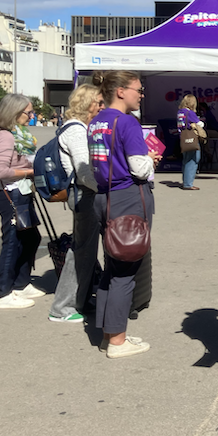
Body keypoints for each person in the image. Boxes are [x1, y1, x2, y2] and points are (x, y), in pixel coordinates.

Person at [89, 71, 160, 358]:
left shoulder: (96, 121)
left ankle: (109, 334)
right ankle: (118, 341)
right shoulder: (127, 121)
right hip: (127, 197)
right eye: (137, 90)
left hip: (103, 197)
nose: (141, 95)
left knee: (112, 267)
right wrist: (151, 159)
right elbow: (139, 168)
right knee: (125, 272)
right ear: (120, 91)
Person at [48, 84, 103, 323]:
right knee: (80, 252)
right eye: (99, 102)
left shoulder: (76, 128)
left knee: (86, 251)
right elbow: (84, 172)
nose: (101, 107)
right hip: (84, 194)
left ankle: (81, 299)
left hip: (83, 193)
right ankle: (62, 308)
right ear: (88, 104)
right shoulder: (77, 131)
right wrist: (105, 189)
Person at [0, 94, 43, 309]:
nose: (31, 116)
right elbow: (0, 171)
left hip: (20, 190)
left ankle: (21, 282)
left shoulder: (16, 134)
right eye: (28, 112)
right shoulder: (5, 137)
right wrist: (30, 172)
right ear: (14, 112)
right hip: (10, 192)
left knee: (31, 238)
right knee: (12, 242)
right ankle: (3, 292)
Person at [177, 94, 204, 190]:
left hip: (183, 138)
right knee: (193, 159)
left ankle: (185, 181)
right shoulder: (190, 113)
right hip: (191, 138)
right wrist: (201, 122)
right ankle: (188, 184)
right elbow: (200, 124)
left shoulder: (180, 112)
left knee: (186, 160)